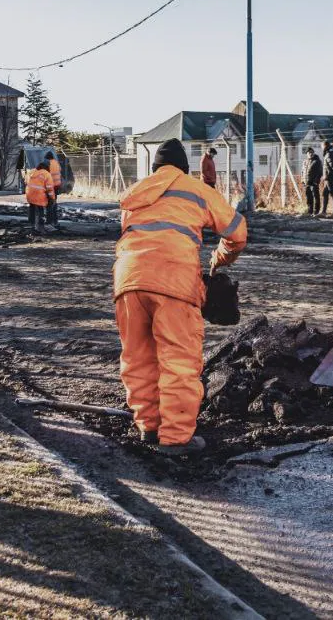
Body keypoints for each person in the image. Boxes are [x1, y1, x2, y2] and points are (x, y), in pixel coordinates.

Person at [113, 138, 247, 455]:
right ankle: (175, 439)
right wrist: (219, 260)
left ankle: (148, 427)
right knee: (179, 360)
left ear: (155, 169)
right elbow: (237, 233)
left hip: (128, 279)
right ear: (184, 169)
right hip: (174, 279)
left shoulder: (137, 193)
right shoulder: (196, 188)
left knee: (137, 357)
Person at [25, 160, 54, 232]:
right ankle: (40, 226)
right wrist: (52, 198)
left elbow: (26, 180)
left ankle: (31, 224)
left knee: (32, 207)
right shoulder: (47, 174)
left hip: (29, 193)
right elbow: (50, 188)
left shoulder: (33, 172)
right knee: (40, 210)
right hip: (39, 195)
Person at [301, 146, 323, 216]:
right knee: (308, 197)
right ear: (306, 154)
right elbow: (302, 171)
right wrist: (302, 180)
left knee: (316, 196)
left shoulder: (317, 161)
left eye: (312, 152)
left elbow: (320, 172)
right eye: (309, 152)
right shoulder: (305, 161)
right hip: (306, 182)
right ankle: (309, 210)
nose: (310, 154)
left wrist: (316, 181)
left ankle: (316, 211)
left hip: (314, 182)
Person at [45, 151, 62, 229]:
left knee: (49, 205)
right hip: (57, 186)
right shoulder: (56, 163)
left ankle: (49, 221)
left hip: (50, 186)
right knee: (54, 204)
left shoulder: (48, 164)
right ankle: (55, 221)